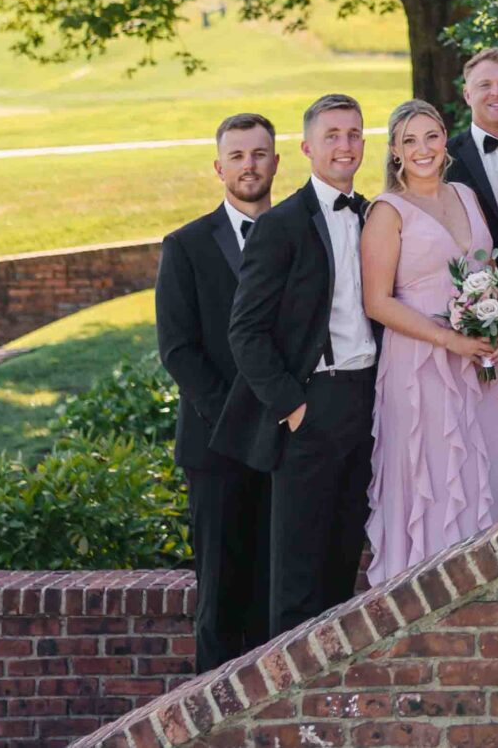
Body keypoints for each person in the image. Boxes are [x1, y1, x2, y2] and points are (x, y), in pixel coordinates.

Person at [216, 93, 379, 634]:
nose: (345, 145)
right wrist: (292, 405)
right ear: (308, 147)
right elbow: (246, 331)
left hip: (370, 398)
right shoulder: (281, 225)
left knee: (344, 556)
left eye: (354, 134)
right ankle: (290, 703)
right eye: (332, 135)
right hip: (312, 404)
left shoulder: (376, 214)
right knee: (298, 568)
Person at [360, 99, 498, 585]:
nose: (423, 149)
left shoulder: (466, 195)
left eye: (431, 136)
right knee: (436, 470)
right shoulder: (387, 212)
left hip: (483, 359)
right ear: (394, 151)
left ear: (444, 139)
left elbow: (490, 268)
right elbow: (377, 302)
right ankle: (430, 586)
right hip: (422, 364)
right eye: (409, 140)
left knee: (488, 460)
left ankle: (492, 580)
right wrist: (448, 340)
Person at [154, 112, 276, 670]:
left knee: (279, 591)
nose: (249, 165)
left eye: (258, 154)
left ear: (277, 160)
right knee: (221, 596)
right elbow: (178, 349)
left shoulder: (301, 231)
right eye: (237, 156)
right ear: (218, 167)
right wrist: (236, 417)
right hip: (217, 445)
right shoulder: (185, 245)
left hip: (288, 441)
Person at [444, 48, 498, 407]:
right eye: (485, 85)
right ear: (467, 94)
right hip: (481, 320)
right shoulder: (442, 160)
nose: (497, 93)